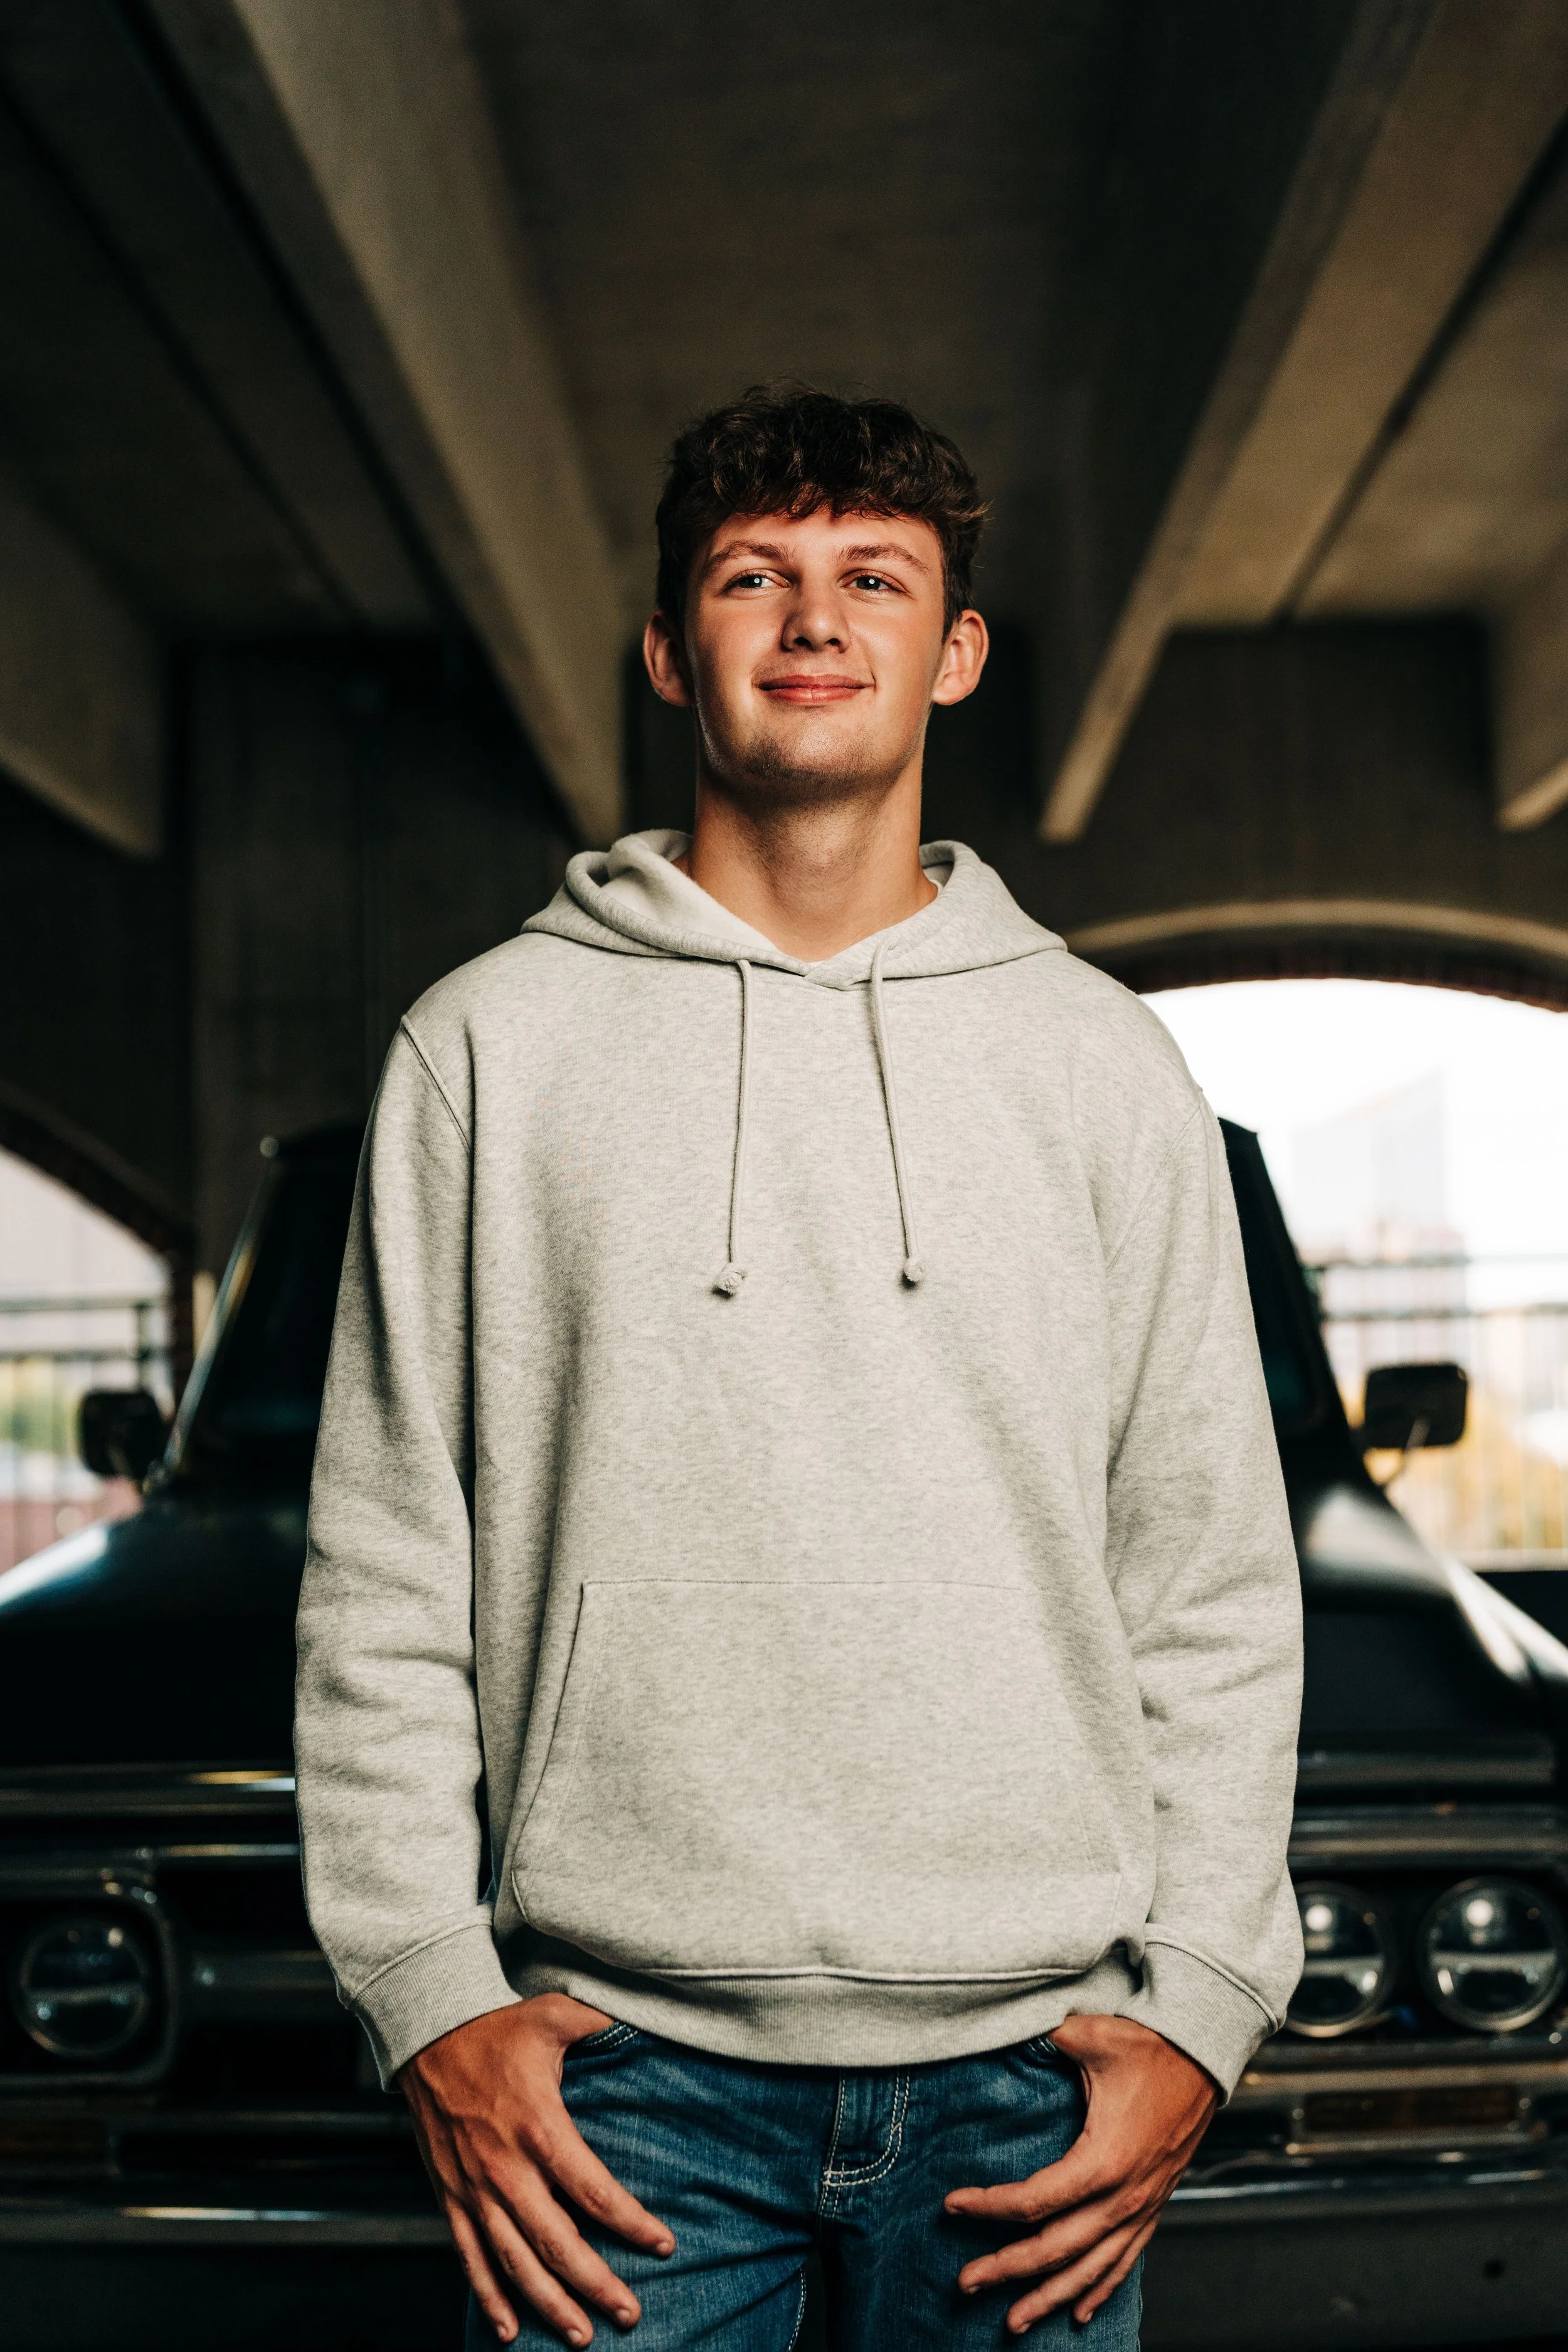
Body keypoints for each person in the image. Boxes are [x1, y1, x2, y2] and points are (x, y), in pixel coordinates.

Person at [296, 385, 1303, 2350]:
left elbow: (1207, 1574)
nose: (813, 620)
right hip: (617, 2090)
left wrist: (1197, 1999)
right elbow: (385, 1562)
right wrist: (427, 1985)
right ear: (676, 649)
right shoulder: (485, 1047)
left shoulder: (1102, 1065)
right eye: (754, 578)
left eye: (872, 578)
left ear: (956, 647)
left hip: (1038, 2071)